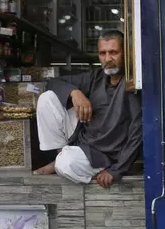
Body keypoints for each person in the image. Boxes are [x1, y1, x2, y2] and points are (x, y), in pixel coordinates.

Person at [33, 30, 142, 189]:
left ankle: (61, 162)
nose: (108, 59)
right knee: (47, 98)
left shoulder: (132, 86)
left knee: (66, 164)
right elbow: (53, 82)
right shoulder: (95, 77)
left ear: (126, 54)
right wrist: (74, 93)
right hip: (82, 143)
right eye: (102, 53)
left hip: (105, 155)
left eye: (113, 53)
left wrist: (117, 169)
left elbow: (137, 132)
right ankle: (59, 156)